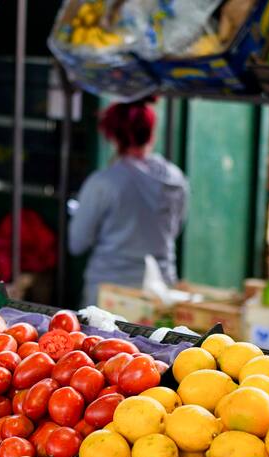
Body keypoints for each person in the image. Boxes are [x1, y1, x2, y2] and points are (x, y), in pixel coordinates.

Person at [69, 98, 189, 307]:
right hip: (160, 293)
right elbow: (175, 229)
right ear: (152, 133)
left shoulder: (103, 182)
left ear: (113, 136)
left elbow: (77, 243)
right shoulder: (175, 179)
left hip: (108, 299)